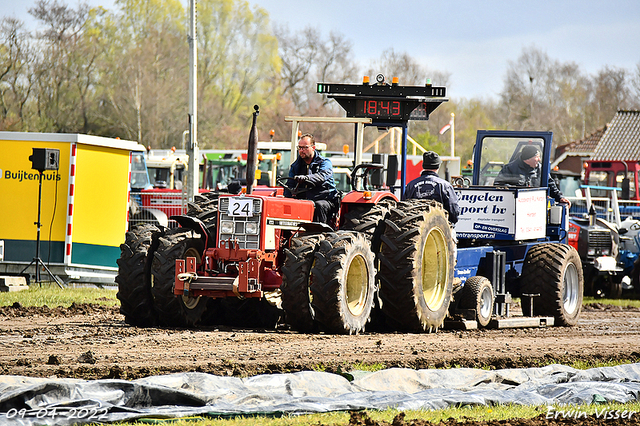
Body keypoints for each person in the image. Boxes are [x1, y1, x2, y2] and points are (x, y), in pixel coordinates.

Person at [285, 133, 339, 224]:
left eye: (305, 147)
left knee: (319, 205)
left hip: (325, 199)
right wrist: (286, 198)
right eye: (300, 148)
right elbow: (290, 184)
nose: (302, 150)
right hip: (304, 199)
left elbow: (322, 176)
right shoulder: (296, 166)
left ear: (313, 148)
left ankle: (319, 234)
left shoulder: (324, 163)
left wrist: (307, 178)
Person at [494, 145, 571, 206]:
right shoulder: (509, 169)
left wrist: (560, 198)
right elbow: (499, 186)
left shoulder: (541, 170)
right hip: (515, 208)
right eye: (537, 157)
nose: (539, 160)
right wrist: (517, 193)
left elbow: (551, 186)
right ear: (528, 159)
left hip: (536, 208)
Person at [404, 151, 460, 224]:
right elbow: (454, 211)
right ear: (438, 166)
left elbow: (404, 207)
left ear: (423, 166)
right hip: (439, 228)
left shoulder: (411, 185)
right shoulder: (445, 186)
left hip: (415, 228)